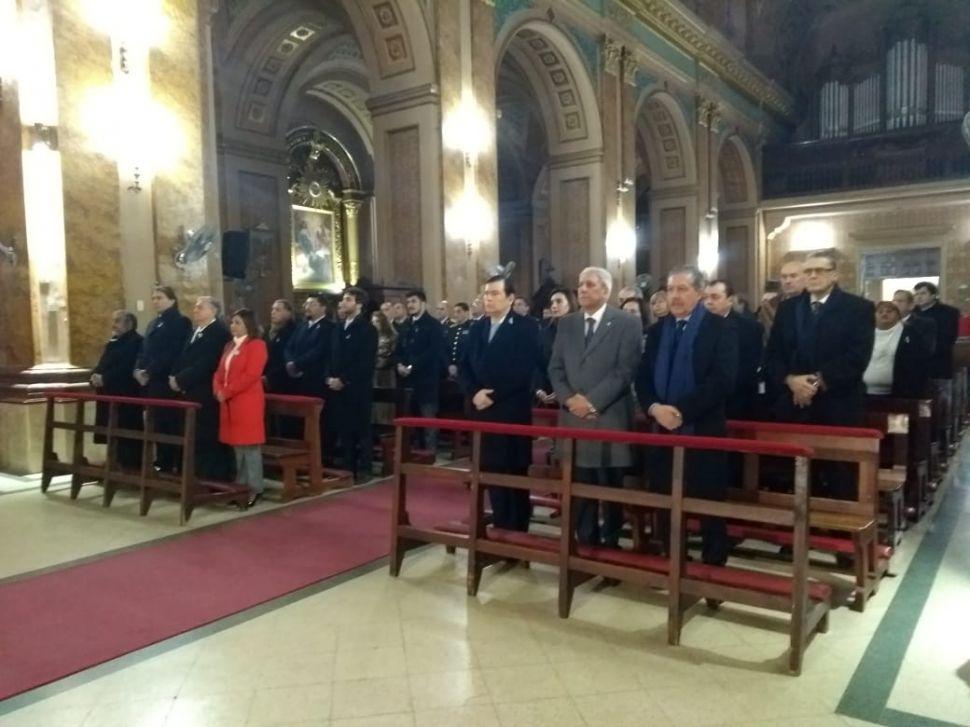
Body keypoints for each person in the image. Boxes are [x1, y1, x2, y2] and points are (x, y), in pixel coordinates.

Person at [637, 266, 738, 567]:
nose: (675, 296)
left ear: (698, 292)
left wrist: (680, 411)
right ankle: (672, 556)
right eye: (670, 290)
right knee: (666, 498)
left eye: (682, 289)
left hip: (702, 428)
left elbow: (722, 380)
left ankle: (713, 562)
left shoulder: (720, 328)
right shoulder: (656, 332)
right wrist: (655, 408)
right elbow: (642, 378)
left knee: (708, 500)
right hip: (661, 429)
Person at [764, 250, 874, 499]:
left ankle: (839, 531)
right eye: (808, 271)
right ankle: (800, 530)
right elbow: (773, 355)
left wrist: (814, 382)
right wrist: (791, 381)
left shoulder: (857, 308)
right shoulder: (789, 309)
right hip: (794, 404)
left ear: (833, 275)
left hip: (838, 403)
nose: (812, 275)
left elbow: (857, 357)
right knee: (799, 473)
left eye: (819, 270)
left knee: (840, 474)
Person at [548, 267, 642, 548]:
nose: (582, 289)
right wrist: (568, 399)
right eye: (580, 284)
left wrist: (590, 401)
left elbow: (625, 371)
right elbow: (555, 367)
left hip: (607, 416)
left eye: (589, 284)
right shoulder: (567, 324)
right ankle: (585, 542)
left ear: (605, 290)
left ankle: (610, 543)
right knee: (578, 488)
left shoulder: (626, 323)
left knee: (610, 488)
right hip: (573, 420)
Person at [458, 275, 540, 532]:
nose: (488, 299)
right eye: (486, 294)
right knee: (490, 471)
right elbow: (463, 365)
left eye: (494, 293)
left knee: (512, 473)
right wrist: (473, 393)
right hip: (481, 412)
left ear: (510, 298)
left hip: (509, 411)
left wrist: (491, 396)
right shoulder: (478, 327)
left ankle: (517, 530)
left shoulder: (525, 327)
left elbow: (524, 369)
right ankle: (500, 527)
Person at [170, 297, 233, 480]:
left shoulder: (219, 333)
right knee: (193, 435)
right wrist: (174, 375)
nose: (195, 310)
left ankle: (212, 476)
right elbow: (182, 356)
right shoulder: (195, 331)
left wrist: (182, 379)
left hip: (205, 392)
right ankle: (195, 474)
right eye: (195, 307)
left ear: (213, 311)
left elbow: (207, 363)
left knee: (207, 436)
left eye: (200, 307)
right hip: (189, 391)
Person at [214, 309, 268, 507]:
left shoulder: (257, 345)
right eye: (232, 322)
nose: (233, 326)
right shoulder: (229, 345)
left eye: (237, 322)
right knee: (237, 446)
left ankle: (255, 488)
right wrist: (218, 388)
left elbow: (251, 375)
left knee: (250, 446)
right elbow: (219, 372)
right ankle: (240, 487)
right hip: (230, 402)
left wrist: (226, 391)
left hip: (247, 402)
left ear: (248, 324)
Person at [134, 285, 192, 471]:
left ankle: (173, 464)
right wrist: (138, 369)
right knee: (156, 424)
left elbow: (172, 352)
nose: (155, 301)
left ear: (172, 300)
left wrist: (149, 371)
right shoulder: (153, 323)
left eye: (159, 297)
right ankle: (162, 461)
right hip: (151, 382)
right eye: (153, 298)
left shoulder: (180, 322)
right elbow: (144, 350)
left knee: (170, 424)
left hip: (165, 381)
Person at [328, 287, 378, 482]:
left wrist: (344, 379)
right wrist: (330, 377)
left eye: (348, 299)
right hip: (337, 388)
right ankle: (347, 467)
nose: (343, 302)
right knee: (344, 428)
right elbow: (331, 356)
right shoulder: (338, 328)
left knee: (361, 428)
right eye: (343, 299)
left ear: (359, 304)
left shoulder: (367, 329)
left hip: (357, 388)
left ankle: (365, 467)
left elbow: (364, 361)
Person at [704, 279, 763, 420]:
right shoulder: (696, 325)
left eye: (715, 297)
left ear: (730, 300)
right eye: (705, 298)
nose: (708, 302)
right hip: (703, 400)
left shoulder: (749, 327)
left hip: (737, 401)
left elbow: (749, 367)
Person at [91, 310, 143, 468]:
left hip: (125, 394)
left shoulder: (136, 341)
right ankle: (115, 462)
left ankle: (129, 466)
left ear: (130, 324)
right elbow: (103, 363)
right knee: (111, 431)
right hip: (108, 393)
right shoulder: (113, 341)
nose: (114, 325)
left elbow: (127, 367)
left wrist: (105, 378)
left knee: (126, 433)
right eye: (113, 321)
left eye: (118, 321)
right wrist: (94, 375)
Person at [396, 289, 445, 452]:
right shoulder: (406, 325)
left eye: (413, 301)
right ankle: (416, 450)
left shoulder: (433, 325)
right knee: (412, 416)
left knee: (428, 416)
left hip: (426, 379)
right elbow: (399, 349)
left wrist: (412, 366)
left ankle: (431, 451)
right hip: (407, 380)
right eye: (408, 302)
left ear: (423, 303)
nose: (410, 305)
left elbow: (433, 352)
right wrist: (400, 364)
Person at [285, 293, 334, 458]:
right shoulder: (302, 326)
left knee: (320, 422)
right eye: (306, 304)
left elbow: (319, 351)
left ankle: (322, 456)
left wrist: (297, 364)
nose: (306, 307)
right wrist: (290, 362)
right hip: (299, 380)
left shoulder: (328, 327)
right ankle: (304, 455)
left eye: (311, 304)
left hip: (316, 379)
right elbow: (289, 347)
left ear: (323, 307)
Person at [913, 281, 960, 448]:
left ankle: (943, 440)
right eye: (916, 294)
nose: (919, 297)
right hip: (916, 369)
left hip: (938, 366)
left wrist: (922, 354)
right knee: (921, 407)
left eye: (923, 293)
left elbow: (947, 340)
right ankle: (924, 440)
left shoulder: (949, 313)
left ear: (933, 295)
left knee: (941, 404)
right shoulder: (912, 313)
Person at [863, 302, 931, 399]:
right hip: (865, 394)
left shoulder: (910, 334)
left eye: (889, 311)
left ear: (898, 315)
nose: (884, 314)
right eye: (880, 311)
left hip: (900, 394)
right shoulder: (864, 334)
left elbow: (919, 362)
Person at [535, 287, 575, 405]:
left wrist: (563, 391)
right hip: (546, 395)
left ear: (570, 304)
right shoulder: (544, 333)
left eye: (559, 301)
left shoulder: (581, 331)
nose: (554, 306)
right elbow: (538, 365)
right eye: (552, 302)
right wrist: (538, 389)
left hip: (574, 396)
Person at [263, 299, 296, 394]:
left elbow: (286, 358)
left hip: (284, 381)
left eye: (278, 310)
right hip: (264, 379)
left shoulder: (294, 331)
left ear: (288, 313)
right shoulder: (266, 330)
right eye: (272, 309)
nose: (273, 312)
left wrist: (270, 377)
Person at [891, 289, 935, 355]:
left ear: (911, 305)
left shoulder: (925, 324)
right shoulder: (886, 323)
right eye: (894, 301)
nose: (895, 304)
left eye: (900, 301)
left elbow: (926, 350)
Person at [446, 302, 472, 379]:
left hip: (466, 368)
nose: (456, 315)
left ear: (466, 312)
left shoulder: (472, 328)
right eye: (455, 312)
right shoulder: (452, 329)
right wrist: (449, 364)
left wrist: (460, 366)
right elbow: (447, 348)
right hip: (451, 368)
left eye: (459, 312)